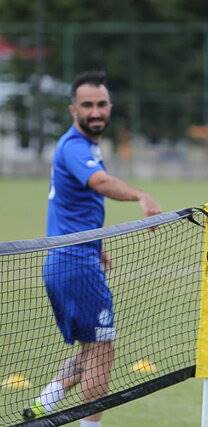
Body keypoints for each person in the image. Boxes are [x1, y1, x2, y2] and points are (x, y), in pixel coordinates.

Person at [23, 71, 161, 425]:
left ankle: (42, 406)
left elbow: (71, 206)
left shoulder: (83, 146)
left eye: (101, 104)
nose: (96, 111)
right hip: (74, 264)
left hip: (73, 258)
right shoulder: (75, 147)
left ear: (110, 107)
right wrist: (139, 195)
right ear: (73, 110)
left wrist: (95, 245)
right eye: (88, 105)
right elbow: (99, 183)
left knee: (93, 347)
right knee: (103, 351)